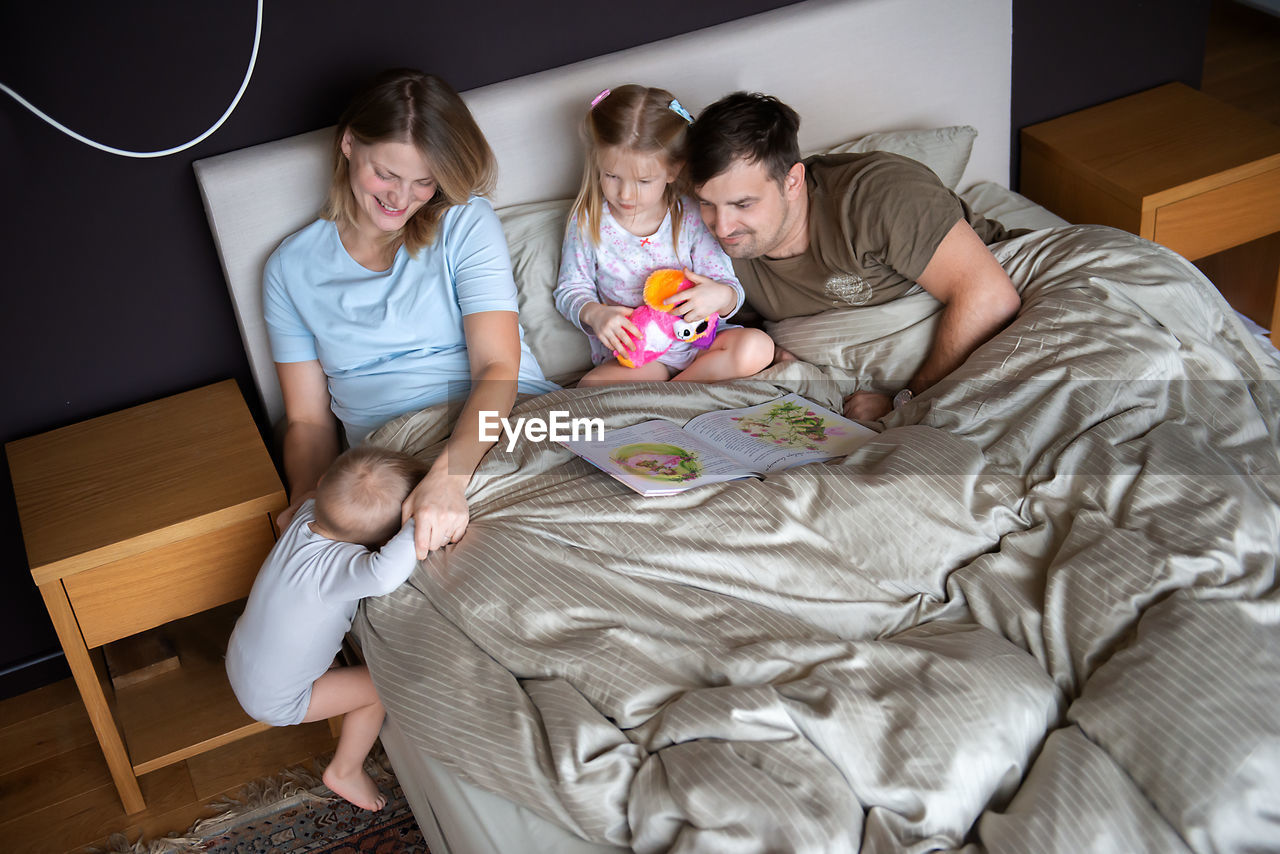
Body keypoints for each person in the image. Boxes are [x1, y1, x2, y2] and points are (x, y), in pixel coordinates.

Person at [264, 69, 558, 555]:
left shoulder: (464, 221)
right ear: (349, 144)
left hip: (512, 419)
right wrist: (307, 497)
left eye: (424, 182)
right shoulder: (290, 268)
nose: (400, 200)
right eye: (386, 174)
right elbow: (309, 422)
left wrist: (448, 478)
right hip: (389, 457)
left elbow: (497, 368)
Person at [686, 92, 1023, 421]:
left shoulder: (878, 196)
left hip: (1001, 298)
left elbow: (989, 297)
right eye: (707, 203)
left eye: (743, 204)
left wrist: (904, 403)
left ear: (792, 181)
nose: (722, 226)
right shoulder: (703, 245)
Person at [226, 446, 426, 812]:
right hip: (277, 699)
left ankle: (322, 678)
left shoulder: (304, 516)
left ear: (321, 485)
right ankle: (344, 770)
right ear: (383, 540)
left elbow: (286, 520)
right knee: (377, 687)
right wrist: (419, 519)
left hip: (239, 655)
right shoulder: (342, 569)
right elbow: (385, 575)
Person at [555, 84, 774, 386]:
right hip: (638, 357)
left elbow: (728, 287)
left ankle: (674, 390)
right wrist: (595, 314)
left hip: (700, 344)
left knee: (758, 347)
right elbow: (570, 289)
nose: (625, 193)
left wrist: (720, 296)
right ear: (597, 164)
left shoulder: (691, 216)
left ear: (673, 170)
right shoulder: (588, 220)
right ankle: (682, 388)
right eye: (611, 176)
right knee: (590, 386)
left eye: (644, 180)